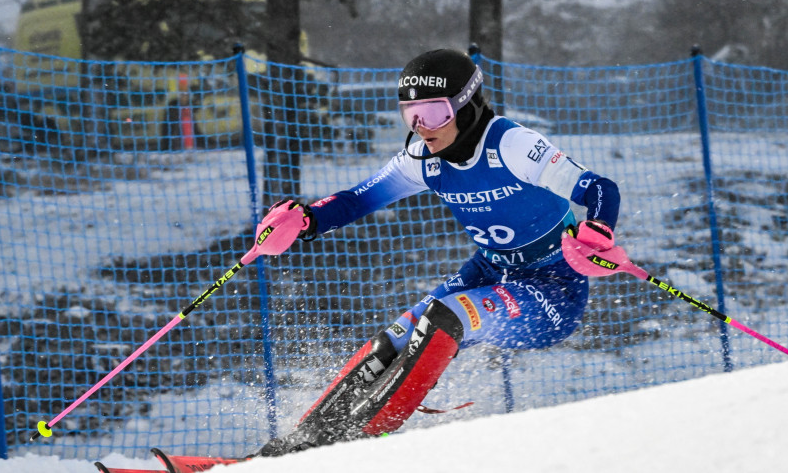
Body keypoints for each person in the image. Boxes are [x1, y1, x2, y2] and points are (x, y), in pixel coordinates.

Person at [252, 48, 621, 457]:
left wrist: (598, 230)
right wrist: (304, 219)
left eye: (432, 113)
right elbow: (359, 199)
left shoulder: (512, 144)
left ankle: (354, 447)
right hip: (491, 270)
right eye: (411, 115)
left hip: (554, 288)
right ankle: (301, 444)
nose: (422, 128)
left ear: (467, 107)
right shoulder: (424, 158)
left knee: (446, 316)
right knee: (393, 340)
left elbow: (600, 189)